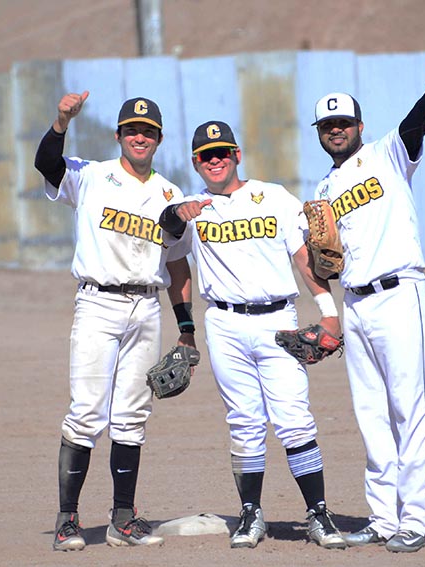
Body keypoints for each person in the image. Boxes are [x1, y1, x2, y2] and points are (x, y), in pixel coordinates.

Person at [158, 121, 347, 550]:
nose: (215, 160)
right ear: (195, 162)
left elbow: (304, 258)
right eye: (206, 155)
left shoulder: (274, 196)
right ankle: (251, 513)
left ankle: (318, 513)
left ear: (237, 155)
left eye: (222, 152)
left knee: (295, 419)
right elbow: (170, 245)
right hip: (223, 325)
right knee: (243, 422)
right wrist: (185, 328)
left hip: (277, 319)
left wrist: (329, 313)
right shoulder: (192, 208)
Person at [309, 51, 425, 553]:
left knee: (407, 411)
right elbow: (323, 261)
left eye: (343, 122)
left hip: (400, 295)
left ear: (359, 125)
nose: (336, 130)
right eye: (328, 124)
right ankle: (382, 517)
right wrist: (323, 273)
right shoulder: (323, 189)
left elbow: (418, 124)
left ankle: (416, 520)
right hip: (355, 305)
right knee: (370, 414)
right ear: (320, 131)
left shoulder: (387, 154)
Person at [34, 92, 196, 551]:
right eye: (132, 130)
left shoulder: (171, 195)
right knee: (86, 412)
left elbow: (179, 266)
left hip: (147, 306)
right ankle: (68, 521)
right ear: (119, 135)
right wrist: (62, 120)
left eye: (147, 131)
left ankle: (122, 519)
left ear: (159, 139)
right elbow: (47, 162)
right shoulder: (91, 175)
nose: (139, 136)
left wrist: (186, 329)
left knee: (132, 416)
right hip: (97, 304)